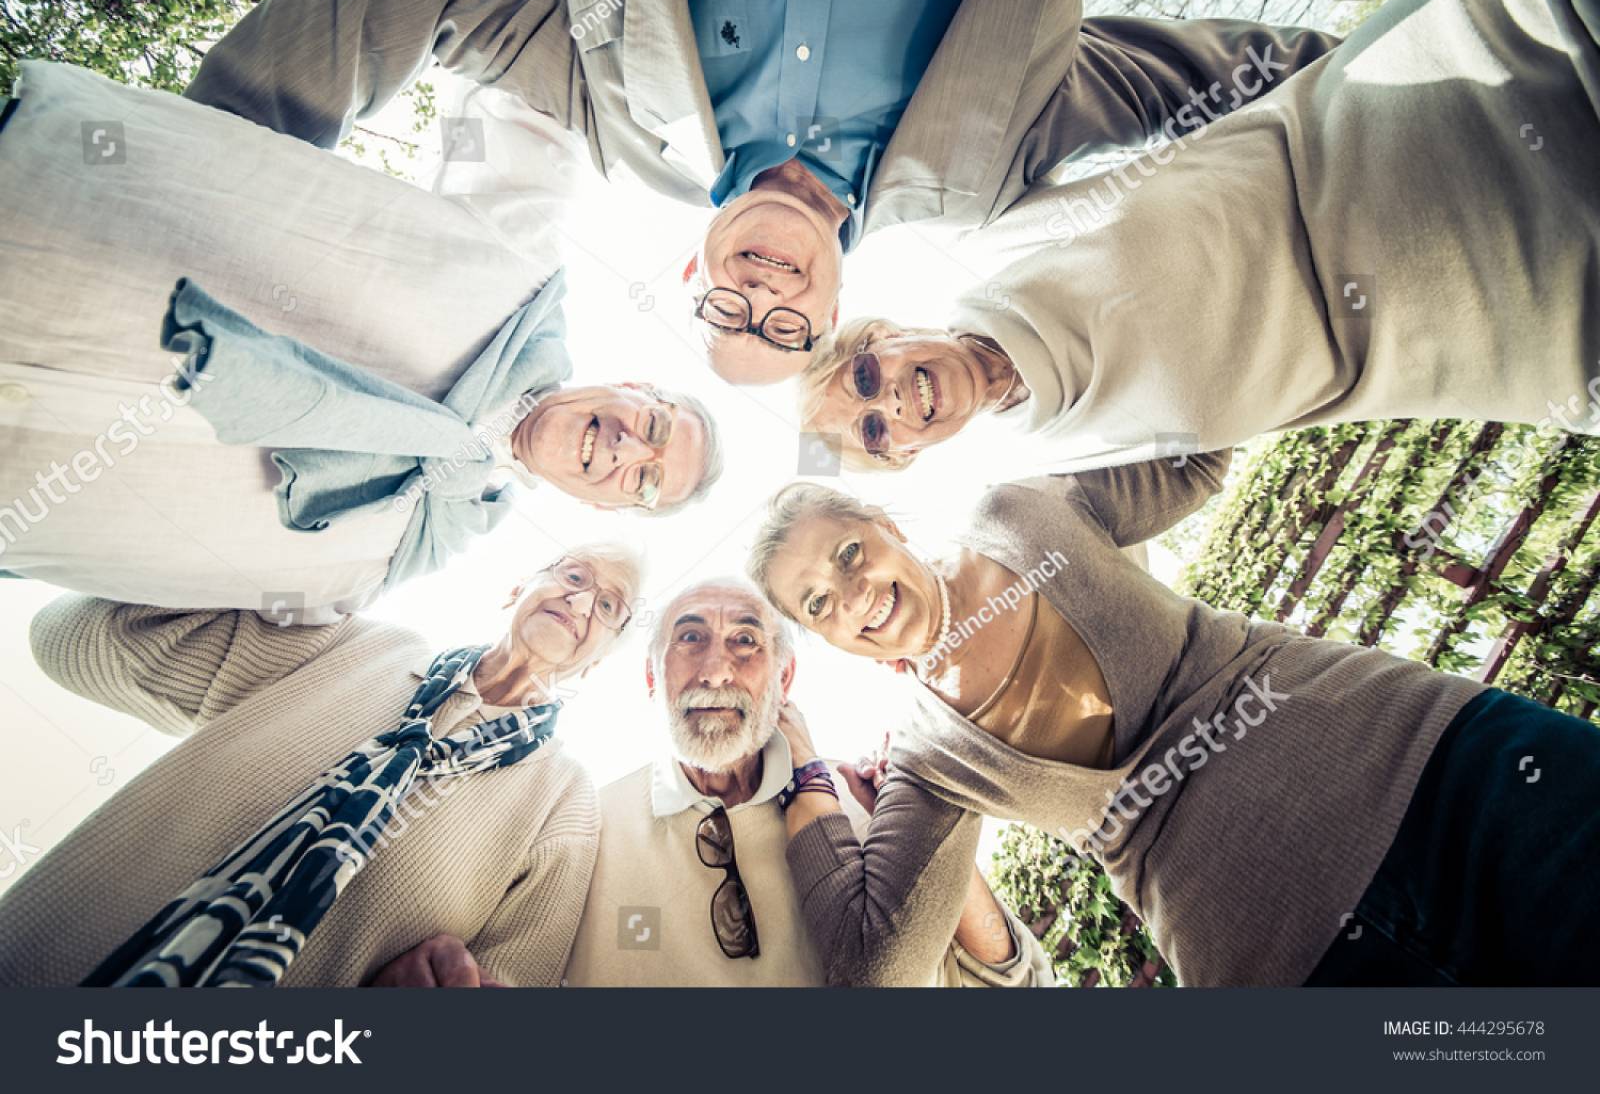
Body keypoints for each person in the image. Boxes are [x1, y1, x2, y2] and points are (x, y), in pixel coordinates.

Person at [182, 0, 1339, 384]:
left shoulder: (623, 126)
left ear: (694, 273)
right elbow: (1201, 81)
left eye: (724, 315)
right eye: (789, 330)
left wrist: (199, 207)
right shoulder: (985, 178)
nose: (761, 298)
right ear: (839, 300)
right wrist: (1412, 70)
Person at [745, 458, 1600, 986]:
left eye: (849, 552)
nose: (851, 592)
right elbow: (875, 971)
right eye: (818, 601)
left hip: (1444, 773)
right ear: (823, 636)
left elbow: (1194, 452)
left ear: (886, 525)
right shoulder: (928, 764)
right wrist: (810, 777)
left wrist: (1023, 370)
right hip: (1296, 971)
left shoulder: (1021, 512)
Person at [800, 0, 1600, 471]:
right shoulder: (1067, 466)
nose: (895, 407)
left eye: (866, 381)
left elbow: (1151, 79)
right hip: (1546, 327)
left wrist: (1352, 71)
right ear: (904, 457)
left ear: (887, 334)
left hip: (1486, 57)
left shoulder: (992, 231)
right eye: (875, 434)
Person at [0, 62, 721, 622]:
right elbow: (541, 69)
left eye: (646, 481)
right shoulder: (517, 268)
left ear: (606, 508)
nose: (629, 449)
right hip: (37, 225)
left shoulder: (391, 560)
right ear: (634, 383)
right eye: (653, 424)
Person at [0, 545, 641, 987]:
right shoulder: (361, 643)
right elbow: (76, 640)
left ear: (601, 660)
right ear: (516, 590)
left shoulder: (566, 801)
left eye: (610, 607)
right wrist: (294, 560)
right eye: (575, 576)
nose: (583, 602)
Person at [371, 578, 1053, 987]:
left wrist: (927, 838)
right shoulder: (581, 822)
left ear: (785, 681)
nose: (717, 671)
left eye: (747, 642)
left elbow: (1019, 985)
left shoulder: (863, 798)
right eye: (690, 640)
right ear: (652, 678)